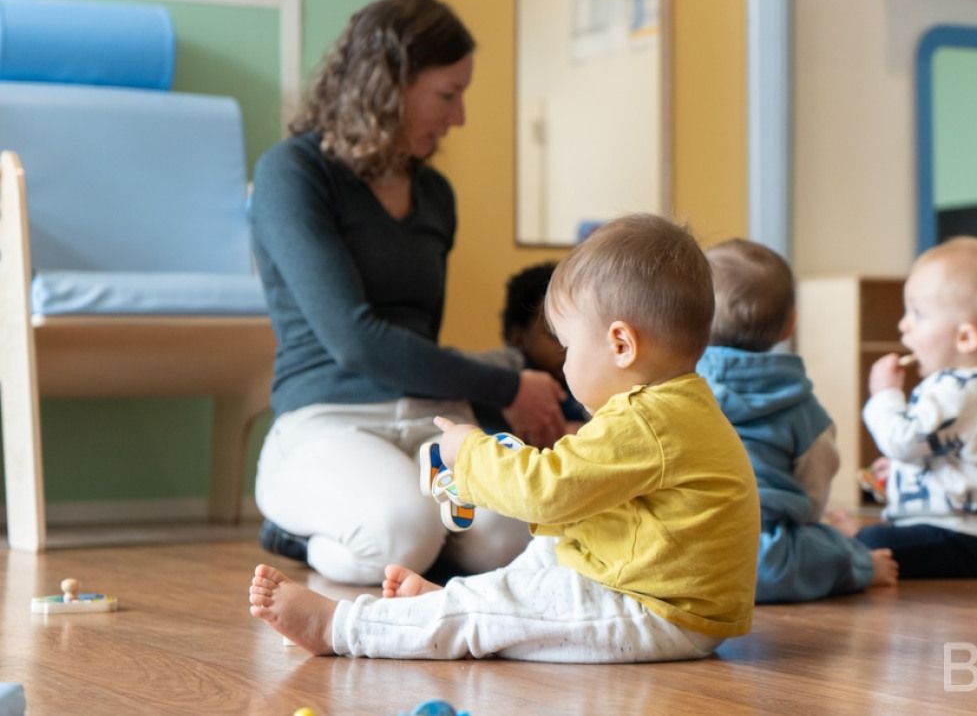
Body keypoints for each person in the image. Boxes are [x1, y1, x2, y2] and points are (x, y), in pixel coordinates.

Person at [247, 214, 762, 662]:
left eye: (567, 348)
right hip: (661, 594)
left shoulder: (647, 419)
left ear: (621, 344)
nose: (564, 364)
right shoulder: (677, 405)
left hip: (653, 611)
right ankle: (450, 601)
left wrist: (468, 452)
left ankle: (339, 627)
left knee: (500, 609)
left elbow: (547, 491)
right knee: (547, 551)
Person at [248, 0, 567, 586]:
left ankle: (421, 545)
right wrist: (508, 385)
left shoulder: (436, 196)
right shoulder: (292, 174)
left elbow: (422, 337)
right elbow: (355, 340)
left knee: (513, 539)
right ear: (387, 82)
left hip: (429, 419)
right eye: (448, 94)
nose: (459, 117)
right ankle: (294, 527)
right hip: (331, 416)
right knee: (400, 535)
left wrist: (498, 413)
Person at [696, 239, 897, 602]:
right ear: (791, 323)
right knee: (826, 544)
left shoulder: (677, 389)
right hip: (766, 557)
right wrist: (807, 523)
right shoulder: (801, 406)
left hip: (688, 548)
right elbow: (815, 484)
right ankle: (866, 567)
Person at [847, 236, 977, 579]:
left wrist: (884, 395)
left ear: (965, 338)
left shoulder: (955, 389)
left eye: (917, 314)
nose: (904, 325)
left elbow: (901, 440)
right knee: (873, 535)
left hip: (963, 535)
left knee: (869, 540)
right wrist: (905, 470)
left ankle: (840, 550)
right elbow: (963, 455)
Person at [467, 262, 586, 434]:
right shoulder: (509, 363)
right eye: (554, 335)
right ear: (518, 338)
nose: (567, 346)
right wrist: (509, 389)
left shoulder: (582, 375)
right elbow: (451, 371)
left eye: (575, 334)